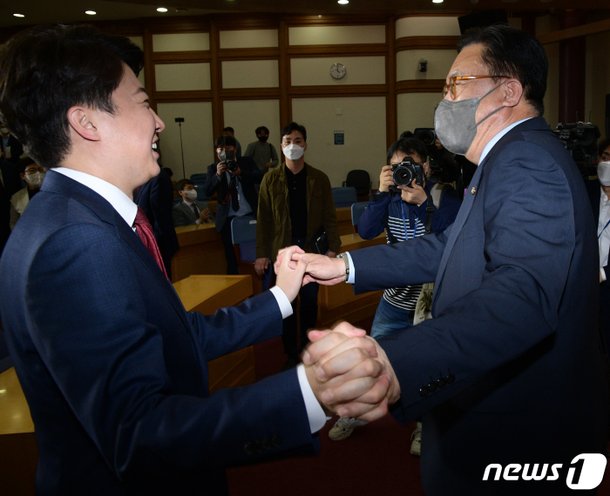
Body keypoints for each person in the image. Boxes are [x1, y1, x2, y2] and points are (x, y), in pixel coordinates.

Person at [0, 24, 393, 496]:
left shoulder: (72, 220)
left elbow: (174, 337)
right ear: (87, 122)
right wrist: (310, 392)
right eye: (144, 103)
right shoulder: (78, 242)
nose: (159, 122)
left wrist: (280, 297)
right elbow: (138, 431)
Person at [295, 24, 609, 495]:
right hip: (486, 412)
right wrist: (347, 266)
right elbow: (451, 248)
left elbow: (522, 296)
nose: (445, 99)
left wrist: (392, 361)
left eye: (456, 84)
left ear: (508, 91)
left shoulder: (528, 162)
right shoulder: (505, 159)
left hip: (512, 432)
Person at [328, 137, 460, 449]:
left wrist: (423, 203)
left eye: (411, 165)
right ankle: (356, 412)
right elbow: (366, 230)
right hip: (393, 301)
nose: (406, 172)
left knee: (428, 369)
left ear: (425, 165)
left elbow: (453, 239)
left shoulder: (444, 197)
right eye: (398, 166)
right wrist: (381, 192)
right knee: (370, 361)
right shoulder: (390, 197)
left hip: (429, 305)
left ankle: (423, 426)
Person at [255, 121, 341, 367]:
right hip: (283, 252)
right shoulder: (269, 180)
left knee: (311, 302)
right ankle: (290, 354)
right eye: (287, 141)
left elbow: (330, 217)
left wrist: (333, 248)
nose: (293, 146)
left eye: (298, 141)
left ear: (306, 144)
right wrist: (262, 254)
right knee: (287, 304)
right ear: (281, 146)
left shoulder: (319, 179)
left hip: (312, 251)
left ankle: (308, 349)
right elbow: (264, 221)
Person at [204, 135, 261, 274]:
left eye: (228, 147)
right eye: (220, 148)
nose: (224, 151)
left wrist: (240, 173)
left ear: (234, 148)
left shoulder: (246, 162)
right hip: (227, 220)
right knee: (231, 259)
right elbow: (207, 191)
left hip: (249, 216)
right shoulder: (213, 168)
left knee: (254, 255)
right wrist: (218, 175)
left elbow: (258, 176)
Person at [135, 163, 179, 278]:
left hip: (158, 243)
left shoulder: (159, 177)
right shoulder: (140, 179)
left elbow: (161, 215)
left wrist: (153, 244)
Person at [9, 158, 46, 228]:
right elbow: (14, 224)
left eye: (40, 169)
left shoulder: (56, 192)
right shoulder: (16, 198)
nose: (37, 173)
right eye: (32, 171)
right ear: (23, 176)